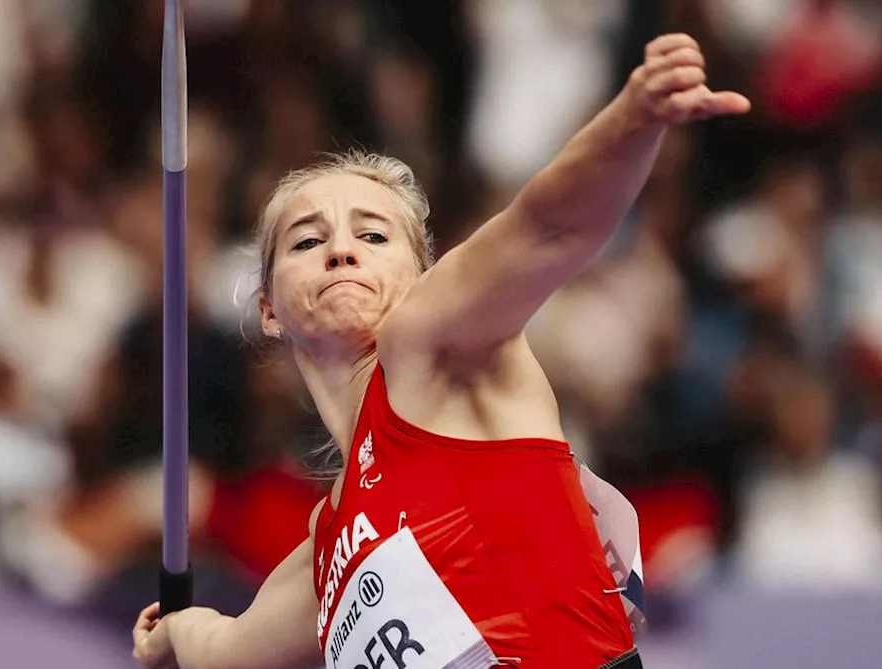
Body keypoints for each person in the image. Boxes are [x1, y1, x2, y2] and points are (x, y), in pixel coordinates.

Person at [132, 33, 750, 669]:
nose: (341, 251)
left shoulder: (432, 346)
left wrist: (632, 121)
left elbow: (551, 226)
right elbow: (226, 651)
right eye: (306, 241)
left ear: (424, 276)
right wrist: (175, 632)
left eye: (373, 235)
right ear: (268, 308)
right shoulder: (329, 543)